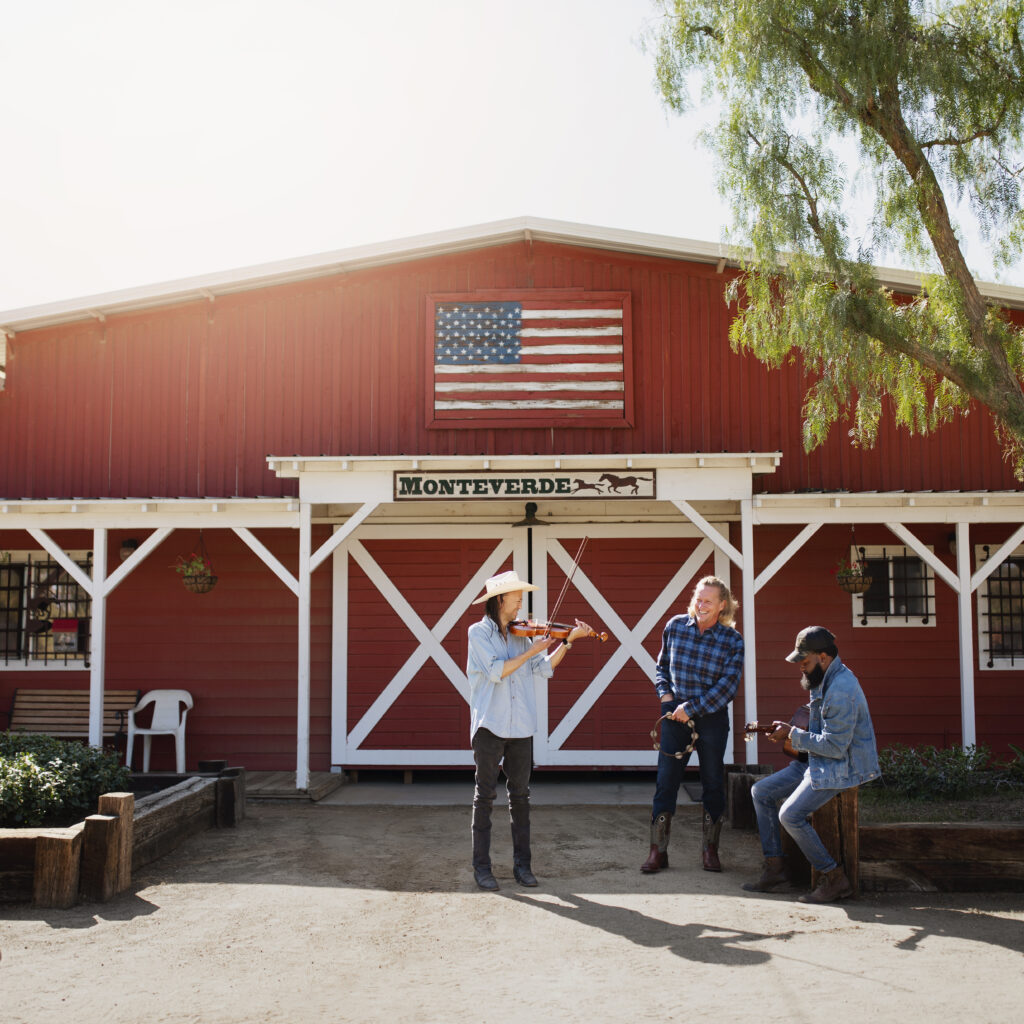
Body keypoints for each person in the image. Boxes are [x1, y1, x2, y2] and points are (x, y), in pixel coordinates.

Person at [467, 569, 595, 892]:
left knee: (521, 797)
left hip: (522, 726)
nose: (521, 600)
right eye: (516, 596)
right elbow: (498, 670)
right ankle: (482, 868)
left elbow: (545, 667)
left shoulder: (523, 633)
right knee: (485, 796)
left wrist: (566, 642)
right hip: (490, 726)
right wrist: (533, 650)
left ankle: (523, 867)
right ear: (500, 600)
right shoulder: (477, 634)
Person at [742, 626, 880, 904]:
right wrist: (790, 731)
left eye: (804, 662)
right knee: (761, 792)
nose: (801, 668)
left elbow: (835, 746)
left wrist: (792, 734)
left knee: (789, 815)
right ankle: (776, 868)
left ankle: (835, 878)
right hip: (819, 759)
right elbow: (816, 732)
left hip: (843, 766)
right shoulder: (823, 678)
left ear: (823, 657)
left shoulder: (841, 690)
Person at [641, 575, 744, 875]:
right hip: (675, 719)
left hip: (711, 720)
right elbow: (661, 668)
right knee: (666, 782)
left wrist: (692, 707)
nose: (701, 605)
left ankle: (710, 850)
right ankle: (657, 850)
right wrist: (667, 697)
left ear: (722, 605)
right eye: (699, 598)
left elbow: (729, 686)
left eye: (708, 601)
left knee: (712, 783)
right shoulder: (674, 627)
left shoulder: (732, 640)